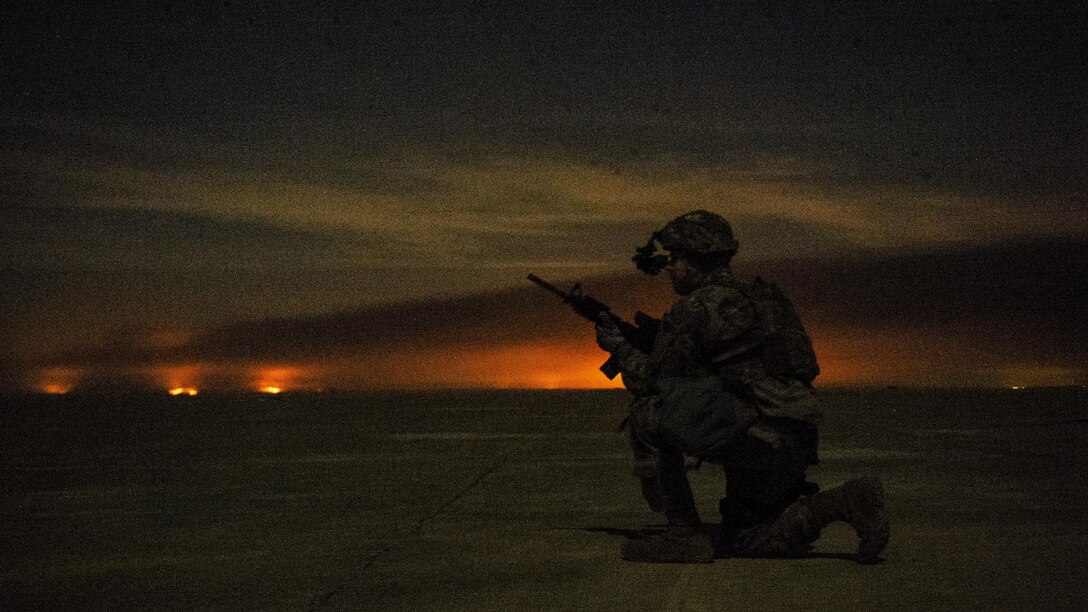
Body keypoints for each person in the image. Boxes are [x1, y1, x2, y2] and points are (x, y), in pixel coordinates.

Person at [595, 210, 889, 564]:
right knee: (748, 538)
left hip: (757, 440)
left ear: (693, 260)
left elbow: (653, 381)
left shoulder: (695, 307)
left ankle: (683, 535)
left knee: (648, 413)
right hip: (793, 436)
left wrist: (619, 348)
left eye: (676, 260)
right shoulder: (761, 299)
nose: (670, 268)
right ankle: (844, 501)